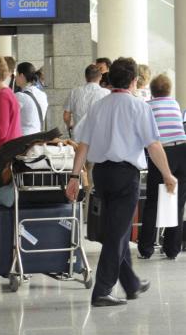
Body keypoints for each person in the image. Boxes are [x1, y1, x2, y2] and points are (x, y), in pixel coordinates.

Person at [66, 58, 177, 307]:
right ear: (134, 80)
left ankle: (131, 283)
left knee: (119, 229)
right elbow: (153, 145)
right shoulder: (139, 107)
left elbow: (83, 144)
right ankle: (102, 291)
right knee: (116, 234)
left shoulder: (98, 106)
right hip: (125, 176)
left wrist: (74, 176)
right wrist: (168, 174)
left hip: (102, 174)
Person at [138, 74, 186, 259]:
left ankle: (146, 248)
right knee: (178, 202)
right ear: (169, 90)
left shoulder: (147, 106)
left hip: (162, 154)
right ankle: (172, 249)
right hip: (182, 151)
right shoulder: (174, 104)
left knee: (153, 202)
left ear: (152, 91)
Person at [63, 64, 110, 139]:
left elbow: (66, 116)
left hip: (78, 137)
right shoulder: (106, 93)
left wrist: (69, 125)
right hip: (98, 137)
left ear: (85, 77)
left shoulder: (74, 92)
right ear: (100, 77)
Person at [15, 62, 48, 135]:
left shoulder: (20, 96)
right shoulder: (43, 95)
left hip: (24, 137)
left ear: (21, 75)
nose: (15, 77)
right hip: (38, 136)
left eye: (16, 74)